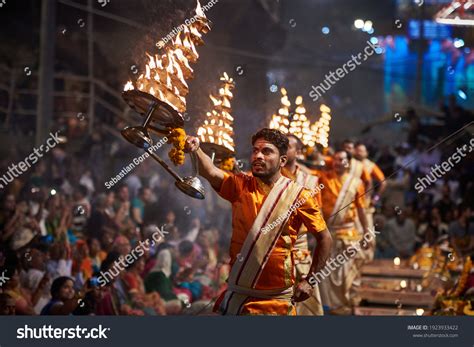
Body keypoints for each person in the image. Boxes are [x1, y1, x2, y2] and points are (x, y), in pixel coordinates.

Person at [184, 128, 332, 315]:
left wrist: (310, 280)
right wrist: (196, 148)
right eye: (255, 151)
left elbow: (325, 238)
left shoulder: (300, 196)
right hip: (239, 296)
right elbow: (211, 171)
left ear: (282, 161)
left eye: (266, 151)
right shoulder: (240, 185)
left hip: (277, 300)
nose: (258, 156)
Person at [317, 149, 369, 315]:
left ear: (349, 162)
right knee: (326, 275)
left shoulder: (356, 183)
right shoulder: (322, 178)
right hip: (328, 235)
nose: (339, 163)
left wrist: (367, 231)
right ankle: (330, 308)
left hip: (349, 237)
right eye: (336, 159)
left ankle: (352, 306)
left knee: (349, 275)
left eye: (342, 160)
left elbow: (361, 210)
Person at [282, 134, 324, 316]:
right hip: (274, 246)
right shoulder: (267, 176)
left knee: (306, 302)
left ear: (298, 152)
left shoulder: (311, 181)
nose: (282, 149)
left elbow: (318, 220)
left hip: (300, 246)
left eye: (287, 146)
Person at [354, 142, 386, 260]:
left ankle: (366, 258)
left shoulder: (370, 165)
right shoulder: (351, 164)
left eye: (362, 151)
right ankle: (355, 259)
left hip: (365, 205)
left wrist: (375, 199)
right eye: (357, 150)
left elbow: (383, 182)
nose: (359, 153)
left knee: (367, 230)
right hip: (351, 204)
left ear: (366, 153)